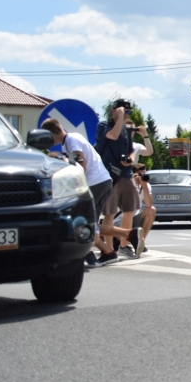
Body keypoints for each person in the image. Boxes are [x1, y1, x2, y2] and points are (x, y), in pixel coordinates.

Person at [42, 118, 111, 265]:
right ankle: (106, 252)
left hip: (94, 182)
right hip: (101, 180)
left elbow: (81, 164)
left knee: (83, 218)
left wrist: (63, 160)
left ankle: (89, 253)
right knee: (89, 219)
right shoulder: (71, 140)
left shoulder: (71, 140)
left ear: (52, 134)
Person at [95, 99, 141, 261]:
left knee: (129, 209)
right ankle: (108, 248)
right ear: (114, 110)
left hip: (125, 173)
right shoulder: (103, 126)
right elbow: (113, 135)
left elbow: (131, 151)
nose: (126, 114)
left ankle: (124, 244)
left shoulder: (127, 130)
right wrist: (120, 118)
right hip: (109, 174)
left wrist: (129, 159)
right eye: (124, 111)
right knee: (109, 212)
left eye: (128, 112)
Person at [132, 164, 156, 257]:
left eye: (144, 174)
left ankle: (140, 242)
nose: (142, 176)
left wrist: (144, 186)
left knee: (151, 210)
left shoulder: (145, 185)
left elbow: (149, 204)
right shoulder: (127, 182)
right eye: (139, 174)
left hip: (135, 218)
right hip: (120, 220)